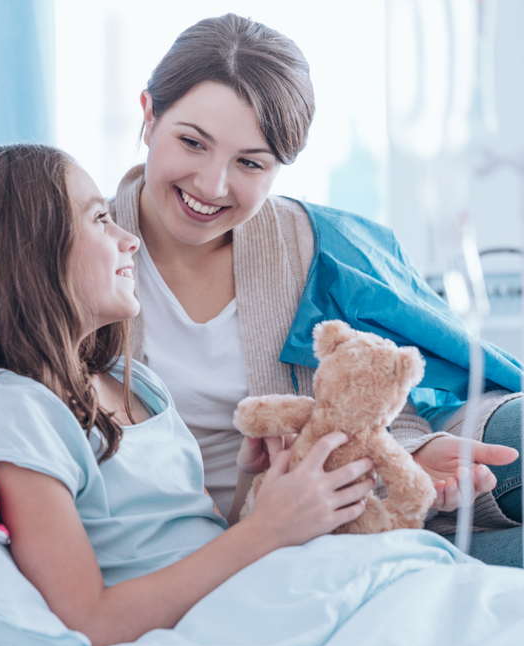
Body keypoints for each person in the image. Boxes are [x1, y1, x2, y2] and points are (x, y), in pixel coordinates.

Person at [0, 143, 381, 646]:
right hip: (204, 630)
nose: (129, 239)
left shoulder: (135, 383)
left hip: (238, 598)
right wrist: (268, 530)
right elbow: (87, 619)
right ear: (27, 255)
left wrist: (254, 483)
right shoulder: (19, 410)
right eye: (100, 219)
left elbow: (193, 545)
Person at [108, 13, 522, 565]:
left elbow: (384, 395)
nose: (211, 185)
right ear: (148, 115)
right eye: (191, 142)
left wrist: (417, 450)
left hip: (370, 502)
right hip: (247, 547)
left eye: (250, 162)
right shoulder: (74, 256)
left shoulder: (319, 248)